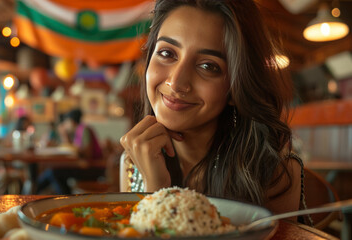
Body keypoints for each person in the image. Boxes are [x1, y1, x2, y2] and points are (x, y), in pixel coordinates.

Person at [119, 0, 303, 218]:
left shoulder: (273, 173)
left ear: (236, 87)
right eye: (167, 53)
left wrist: (158, 195)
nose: (176, 83)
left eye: (208, 66)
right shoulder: (133, 162)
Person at [36, 108, 103, 194]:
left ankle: (37, 191)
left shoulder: (84, 129)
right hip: (85, 165)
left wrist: (64, 135)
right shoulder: (79, 130)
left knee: (53, 172)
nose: (66, 125)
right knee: (53, 171)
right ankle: (37, 190)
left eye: (67, 122)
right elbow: (72, 148)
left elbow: (87, 153)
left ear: (71, 121)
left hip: (92, 168)